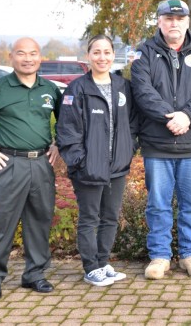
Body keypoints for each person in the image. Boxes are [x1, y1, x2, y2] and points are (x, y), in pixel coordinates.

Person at [0, 38, 62, 300]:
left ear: (40, 57)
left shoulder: (50, 89)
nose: (27, 58)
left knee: (39, 222)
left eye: (33, 53)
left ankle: (35, 274)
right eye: (21, 53)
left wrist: (58, 144)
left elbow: (67, 122)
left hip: (42, 165)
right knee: (0, 222)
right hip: (9, 164)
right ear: (11, 57)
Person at [131, 0, 191, 279]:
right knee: (158, 204)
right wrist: (171, 117)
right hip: (157, 144)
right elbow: (143, 92)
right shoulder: (144, 54)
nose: (174, 23)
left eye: (180, 19)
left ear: (187, 22)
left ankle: (190, 255)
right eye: (169, 19)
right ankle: (159, 257)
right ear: (159, 21)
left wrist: (187, 116)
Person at [56, 35, 138, 287]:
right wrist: (80, 161)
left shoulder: (124, 87)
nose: (102, 57)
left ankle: (103, 263)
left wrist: (128, 150)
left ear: (113, 55)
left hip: (117, 167)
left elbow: (133, 123)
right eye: (96, 52)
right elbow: (66, 131)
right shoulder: (77, 89)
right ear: (89, 56)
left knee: (110, 217)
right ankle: (91, 267)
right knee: (89, 218)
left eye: (107, 52)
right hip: (89, 167)